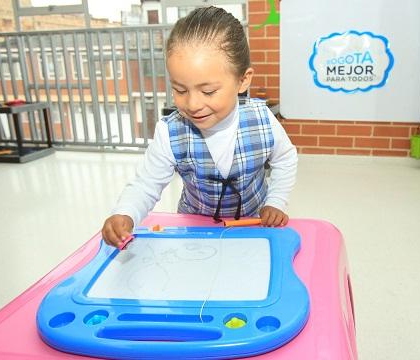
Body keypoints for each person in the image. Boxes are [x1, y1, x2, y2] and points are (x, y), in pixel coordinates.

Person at [101, 6, 298, 248]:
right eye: (180, 90)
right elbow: (146, 184)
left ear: (242, 80)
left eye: (208, 91)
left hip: (252, 226)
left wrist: (275, 201)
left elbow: (286, 159)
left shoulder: (262, 119)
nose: (192, 104)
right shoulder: (170, 131)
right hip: (194, 230)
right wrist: (125, 212)